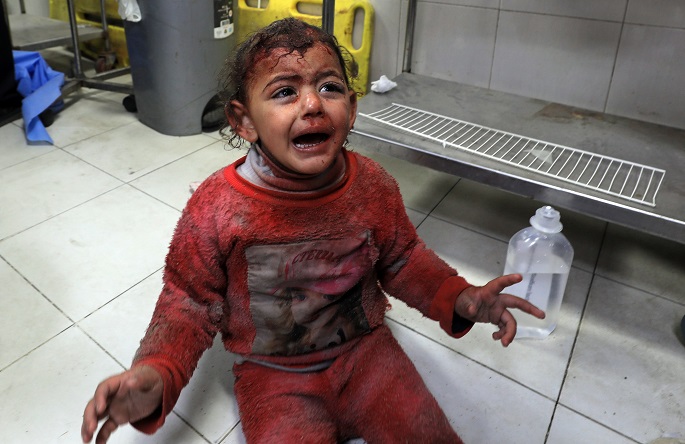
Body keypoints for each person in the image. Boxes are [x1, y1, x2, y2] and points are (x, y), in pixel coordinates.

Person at [81, 18, 545, 444]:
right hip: (273, 377)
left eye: (330, 87)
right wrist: (157, 372)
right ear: (244, 121)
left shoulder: (372, 186)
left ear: (353, 108)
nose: (313, 104)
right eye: (285, 91)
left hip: (368, 358)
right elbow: (188, 300)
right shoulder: (218, 207)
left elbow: (403, 258)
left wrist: (460, 296)